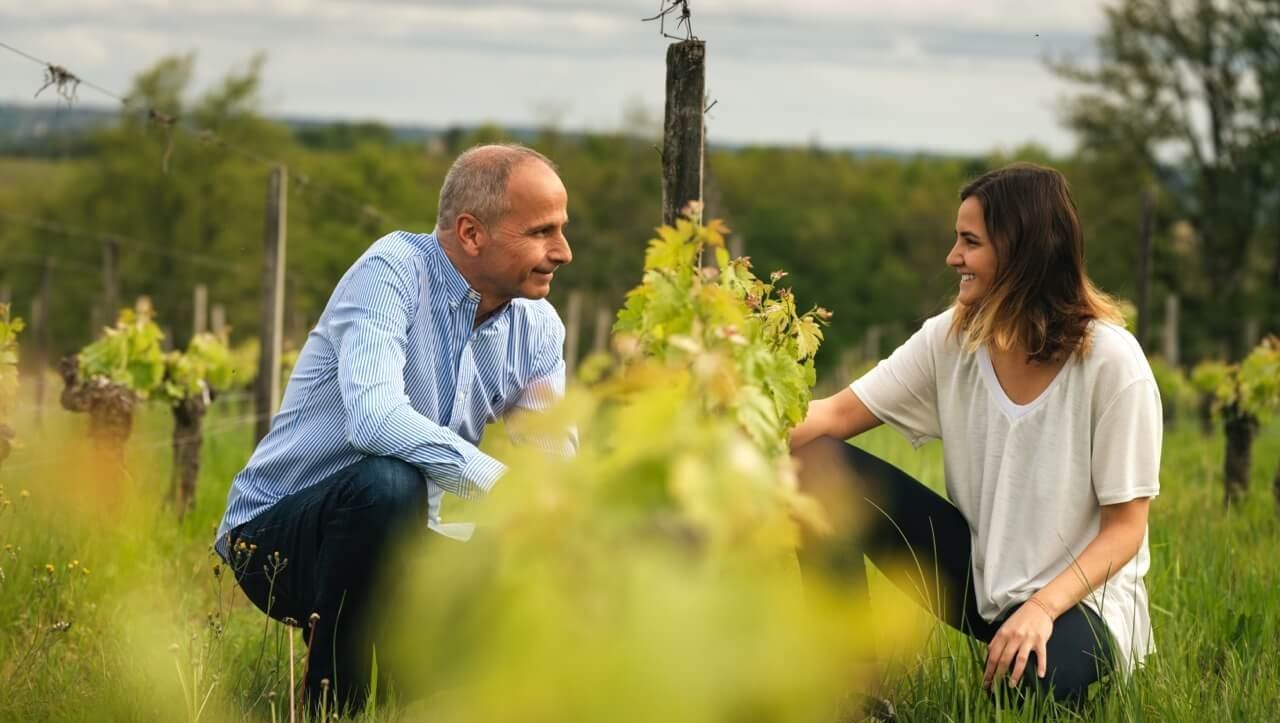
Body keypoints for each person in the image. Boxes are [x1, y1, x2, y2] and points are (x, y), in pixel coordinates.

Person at [213, 143, 574, 712]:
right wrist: (501, 484)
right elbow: (374, 420)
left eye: (562, 229)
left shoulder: (539, 329)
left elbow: (552, 468)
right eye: (541, 232)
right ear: (471, 233)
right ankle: (334, 704)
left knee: (538, 535)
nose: (563, 252)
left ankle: (420, 694)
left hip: (397, 546)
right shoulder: (392, 272)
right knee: (389, 481)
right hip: (276, 541)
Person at [790, 162, 1159, 704]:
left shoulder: (1112, 363)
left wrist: (1039, 608)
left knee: (1021, 694)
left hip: (1083, 600)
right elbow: (831, 418)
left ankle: (1076, 684)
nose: (952, 257)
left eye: (970, 242)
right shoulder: (951, 338)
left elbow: (1125, 529)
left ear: (1021, 252)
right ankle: (854, 697)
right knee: (813, 466)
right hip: (983, 576)